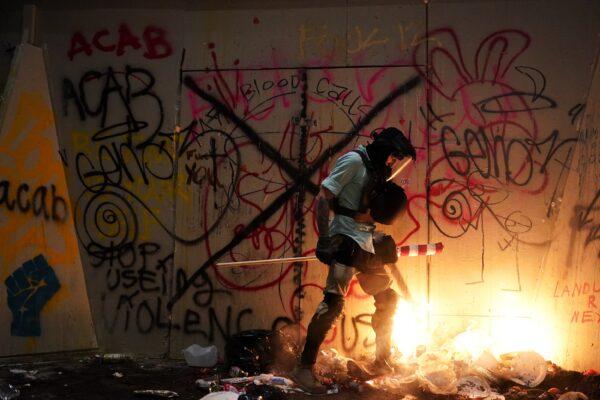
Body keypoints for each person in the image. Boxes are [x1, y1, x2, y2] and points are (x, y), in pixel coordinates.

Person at [291, 127, 416, 394]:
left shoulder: (378, 168)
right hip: (345, 237)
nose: (393, 161)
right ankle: (303, 368)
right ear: (385, 150)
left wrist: (381, 238)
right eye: (392, 156)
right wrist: (325, 239)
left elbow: (372, 207)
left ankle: (382, 361)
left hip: (366, 238)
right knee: (333, 303)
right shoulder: (354, 161)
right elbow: (324, 198)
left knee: (387, 299)